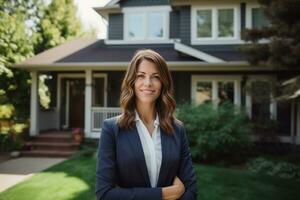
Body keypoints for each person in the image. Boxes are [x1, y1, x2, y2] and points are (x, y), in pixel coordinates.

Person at [95, 49, 197, 200]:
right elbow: (104, 194)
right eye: (140, 76)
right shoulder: (112, 129)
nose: (148, 83)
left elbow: (191, 190)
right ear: (132, 81)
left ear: (163, 83)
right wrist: (163, 194)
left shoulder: (177, 129)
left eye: (155, 77)